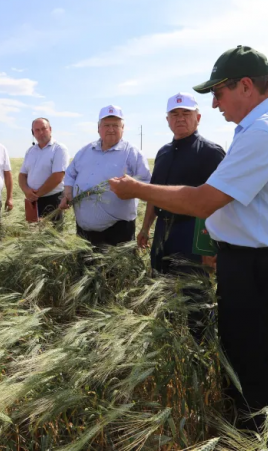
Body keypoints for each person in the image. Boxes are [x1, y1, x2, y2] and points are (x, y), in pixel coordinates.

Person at [108, 45, 268, 446]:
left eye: (218, 92)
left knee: (254, 367)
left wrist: (136, 189)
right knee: (242, 359)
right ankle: (245, 435)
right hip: (249, 262)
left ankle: (261, 441)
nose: (214, 103)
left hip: (260, 266)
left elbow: (203, 201)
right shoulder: (262, 128)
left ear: (246, 86)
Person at [138, 93, 225, 340]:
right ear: (167, 120)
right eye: (174, 114)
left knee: (196, 296)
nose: (180, 118)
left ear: (198, 118)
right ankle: (170, 344)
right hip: (163, 232)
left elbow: (221, 202)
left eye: (186, 113)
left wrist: (211, 246)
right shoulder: (163, 153)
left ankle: (201, 349)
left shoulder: (211, 152)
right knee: (162, 290)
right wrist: (145, 228)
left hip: (193, 232)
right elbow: (154, 194)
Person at [59, 106, 150, 246]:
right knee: (84, 260)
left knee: (116, 261)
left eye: (115, 125)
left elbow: (148, 186)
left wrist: (132, 188)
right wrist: (68, 192)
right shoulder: (85, 151)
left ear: (123, 128)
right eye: (106, 125)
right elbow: (70, 173)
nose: (111, 129)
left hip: (118, 231)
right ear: (98, 128)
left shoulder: (132, 153)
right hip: (83, 231)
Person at [18, 118, 69, 222]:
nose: (41, 132)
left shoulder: (59, 149)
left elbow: (57, 177)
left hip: (53, 200)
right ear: (33, 133)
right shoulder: (30, 151)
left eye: (43, 129)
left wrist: (36, 195)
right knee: (33, 230)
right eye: (37, 130)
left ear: (50, 129)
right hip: (32, 201)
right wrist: (26, 190)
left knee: (53, 231)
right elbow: (22, 174)